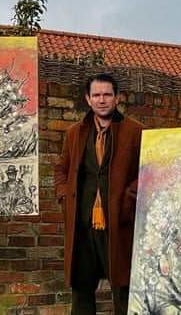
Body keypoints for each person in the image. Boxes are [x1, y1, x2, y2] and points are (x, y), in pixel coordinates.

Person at [55, 73, 145, 314]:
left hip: (119, 224)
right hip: (82, 225)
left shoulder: (136, 131)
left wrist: (129, 199)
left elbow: (148, 170)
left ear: (117, 98)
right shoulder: (75, 132)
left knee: (124, 292)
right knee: (81, 292)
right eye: (97, 95)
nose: (102, 99)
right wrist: (64, 198)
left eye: (107, 94)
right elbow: (61, 169)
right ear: (88, 99)